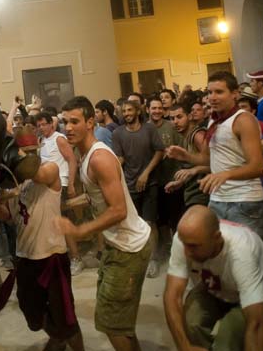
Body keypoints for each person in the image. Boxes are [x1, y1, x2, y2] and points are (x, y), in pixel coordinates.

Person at [58, 96, 152, 351]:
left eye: (74, 121)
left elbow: (118, 210)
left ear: (91, 122)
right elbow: (96, 196)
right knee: (119, 323)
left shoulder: (99, 158)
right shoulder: (86, 154)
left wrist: (79, 230)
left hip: (128, 246)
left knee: (111, 324)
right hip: (116, 244)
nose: (68, 127)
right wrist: (64, 206)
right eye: (64, 121)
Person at [0, 130, 85, 351]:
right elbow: (9, 217)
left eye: (31, 151)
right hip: (25, 258)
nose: (27, 155)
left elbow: (34, 171)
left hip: (51, 257)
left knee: (66, 318)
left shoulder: (50, 170)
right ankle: (57, 337)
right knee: (30, 312)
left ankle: (66, 340)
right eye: (23, 151)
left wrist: (14, 160)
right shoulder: (16, 185)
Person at [163, 205, 263, 351]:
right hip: (217, 287)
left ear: (217, 238)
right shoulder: (186, 239)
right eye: (184, 244)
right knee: (191, 322)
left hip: (261, 294)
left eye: (193, 247)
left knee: (228, 337)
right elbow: (172, 296)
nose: (186, 252)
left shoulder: (243, 253)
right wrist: (184, 346)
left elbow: (257, 325)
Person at [166, 72, 263, 244]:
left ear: (235, 94)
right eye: (210, 92)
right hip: (218, 199)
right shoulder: (214, 121)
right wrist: (186, 156)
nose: (212, 97)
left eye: (219, 92)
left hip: (244, 199)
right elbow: (208, 160)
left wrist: (225, 175)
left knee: (250, 258)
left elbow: (257, 167)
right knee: (225, 255)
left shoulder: (243, 120)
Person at [111, 100, 164, 277]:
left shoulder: (149, 129)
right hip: (129, 184)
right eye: (123, 111)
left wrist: (146, 173)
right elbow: (120, 158)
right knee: (133, 223)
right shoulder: (118, 133)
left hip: (150, 183)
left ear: (137, 111)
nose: (126, 113)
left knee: (149, 222)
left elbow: (159, 151)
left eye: (129, 110)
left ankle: (153, 259)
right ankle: (137, 258)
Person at [38, 112, 83, 275]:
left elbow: (72, 160)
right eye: (39, 125)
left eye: (44, 124)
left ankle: (76, 258)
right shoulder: (42, 141)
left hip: (61, 184)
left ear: (52, 124)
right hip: (48, 186)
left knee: (63, 222)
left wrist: (71, 184)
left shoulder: (59, 138)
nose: (42, 128)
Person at [146, 97, 183, 278]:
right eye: (153, 108)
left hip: (172, 179)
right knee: (158, 220)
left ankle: (178, 255)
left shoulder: (171, 126)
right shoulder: (144, 128)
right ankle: (161, 253)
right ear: (148, 109)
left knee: (175, 219)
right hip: (153, 182)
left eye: (160, 108)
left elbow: (181, 147)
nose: (157, 111)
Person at [164, 103, 210, 209]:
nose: (175, 121)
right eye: (172, 118)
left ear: (189, 116)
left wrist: (194, 170)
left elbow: (215, 164)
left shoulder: (197, 135)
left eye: (179, 117)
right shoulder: (186, 137)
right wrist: (180, 182)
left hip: (203, 195)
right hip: (193, 193)